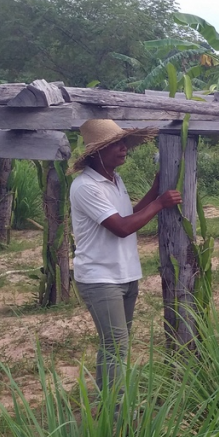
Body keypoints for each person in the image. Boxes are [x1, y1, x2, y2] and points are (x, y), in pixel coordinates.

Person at [69, 119, 182, 393]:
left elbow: (127, 215)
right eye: (116, 145)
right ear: (96, 152)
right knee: (115, 344)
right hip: (100, 277)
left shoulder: (114, 180)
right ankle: (115, 409)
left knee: (117, 343)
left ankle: (112, 403)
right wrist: (159, 203)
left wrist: (154, 190)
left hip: (125, 274)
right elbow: (121, 228)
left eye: (123, 143)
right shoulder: (86, 186)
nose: (123, 149)